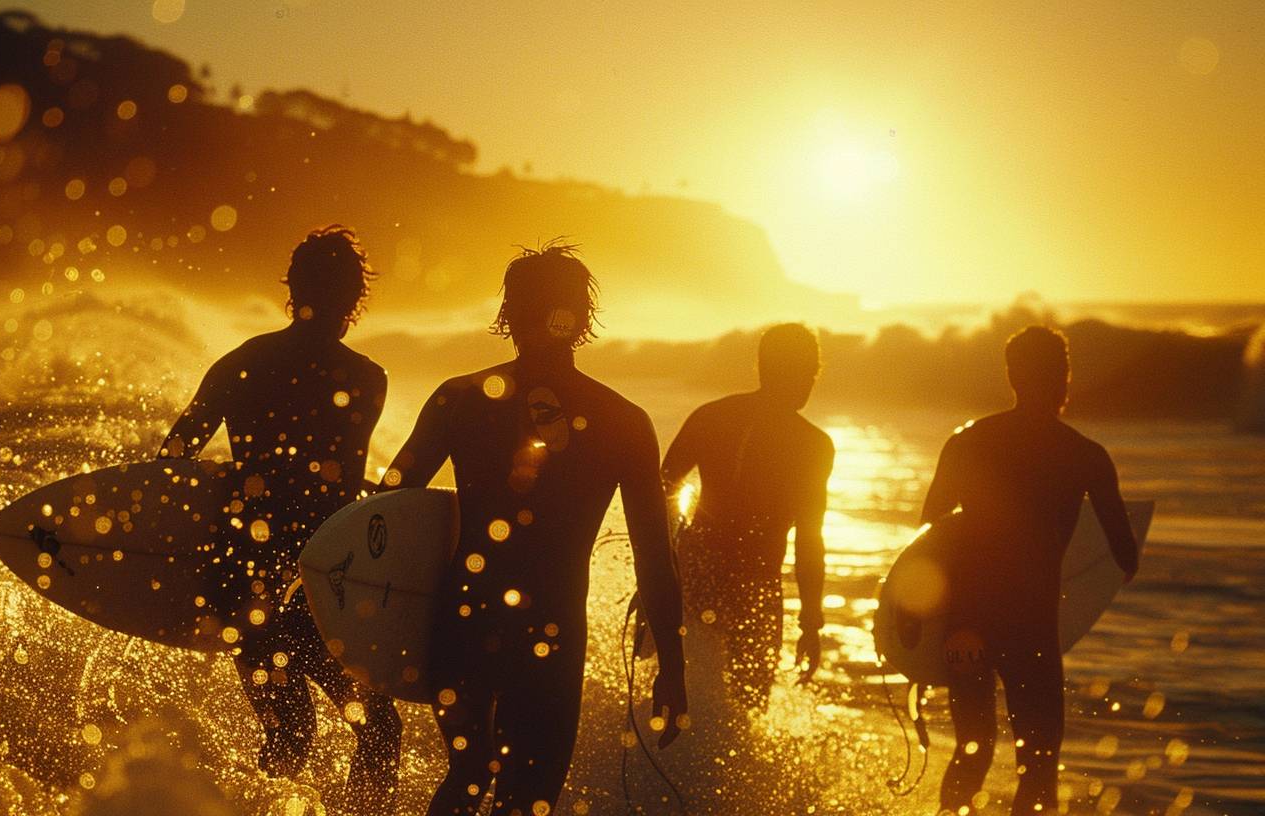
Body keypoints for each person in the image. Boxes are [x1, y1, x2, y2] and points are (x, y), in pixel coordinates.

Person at [381, 242, 687, 816]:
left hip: (463, 621)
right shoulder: (623, 421)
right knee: (529, 802)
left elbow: (382, 514)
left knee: (467, 778)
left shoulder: (459, 398)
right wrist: (671, 667)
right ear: (580, 319)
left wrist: (366, 623)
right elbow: (654, 556)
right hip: (550, 635)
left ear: (508, 314)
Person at [158, 226, 401, 809]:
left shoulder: (241, 363)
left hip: (241, 572)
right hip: (320, 579)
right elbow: (336, 486)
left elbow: (171, 462)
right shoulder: (366, 378)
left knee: (289, 733)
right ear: (353, 300)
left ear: (292, 289)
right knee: (378, 729)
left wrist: (232, 492)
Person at [920, 325, 1138, 816]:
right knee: (1038, 760)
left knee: (972, 747)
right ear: (1064, 378)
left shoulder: (968, 441)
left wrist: (917, 619)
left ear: (1012, 376)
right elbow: (1124, 555)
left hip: (966, 624)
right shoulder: (1085, 455)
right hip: (1030, 628)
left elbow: (929, 529)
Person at [659, 323, 834, 710]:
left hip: (694, 572)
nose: (811, 380)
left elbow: (661, 491)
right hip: (755, 584)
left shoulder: (711, 415)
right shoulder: (813, 444)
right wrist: (810, 623)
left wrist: (660, 575)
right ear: (803, 374)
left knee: (678, 691)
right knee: (747, 706)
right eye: (809, 371)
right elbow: (810, 538)